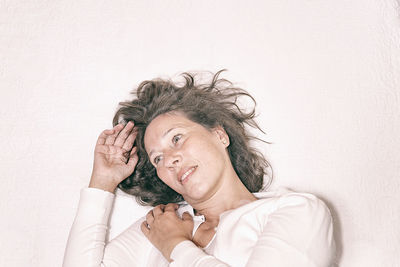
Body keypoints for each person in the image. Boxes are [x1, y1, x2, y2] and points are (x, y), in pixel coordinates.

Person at [63, 70, 336, 267]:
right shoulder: (158, 225)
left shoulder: (297, 210)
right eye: (157, 159)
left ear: (220, 135)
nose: (169, 159)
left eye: (176, 139)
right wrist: (102, 183)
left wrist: (175, 247)